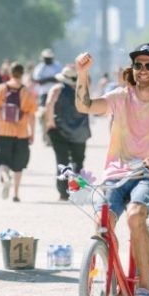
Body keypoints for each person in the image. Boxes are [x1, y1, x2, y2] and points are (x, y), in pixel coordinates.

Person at [75, 43, 149, 296]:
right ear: (132, 70)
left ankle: (143, 287)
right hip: (116, 174)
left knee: (136, 215)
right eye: (138, 65)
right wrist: (82, 73)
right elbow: (84, 105)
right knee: (102, 223)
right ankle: (115, 280)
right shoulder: (119, 97)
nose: (142, 70)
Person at [0, 62, 38, 202]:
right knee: (18, 165)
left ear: (10, 73)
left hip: (3, 131)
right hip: (21, 133)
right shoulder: (27, 92)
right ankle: (16, 194)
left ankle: (5, 178)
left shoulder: (1, 88)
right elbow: (32, 115)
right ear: (22, 74)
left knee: (2, 161)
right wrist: (32, 132)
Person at [44, 65, 91, 201]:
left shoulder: (57, 89)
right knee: (78, 162)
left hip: (60, 130)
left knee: (62, 162)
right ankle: (77, 191)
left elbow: (49, 104)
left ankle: (64, 193)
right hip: (80, 132)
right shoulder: (83, 91)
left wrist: (50, 122)